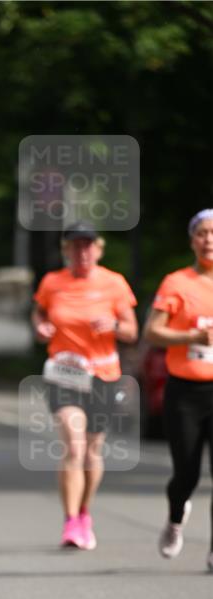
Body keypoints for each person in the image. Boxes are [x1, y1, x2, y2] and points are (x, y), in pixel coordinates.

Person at [32, 222, 138, 549]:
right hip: (64, 375)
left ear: (99, 249)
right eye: (76, 245)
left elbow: (132, 332)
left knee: (92, 450)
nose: (83, 251)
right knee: (74, 446)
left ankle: (84, 511)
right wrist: (41, 327)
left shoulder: (114, 283)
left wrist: (115, 325)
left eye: (88, 245)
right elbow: (38, 314)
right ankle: (70, 522)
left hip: (103, 376)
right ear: (67, 250)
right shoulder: (52, 282)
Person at [143, 209, 213, 571]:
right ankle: (175, 518)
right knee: (186, 473)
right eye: (202, 233)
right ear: (192, 240)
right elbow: (153, 332)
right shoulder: (177, 282)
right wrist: (191, 336)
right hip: (185, 392)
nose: (209, 239)